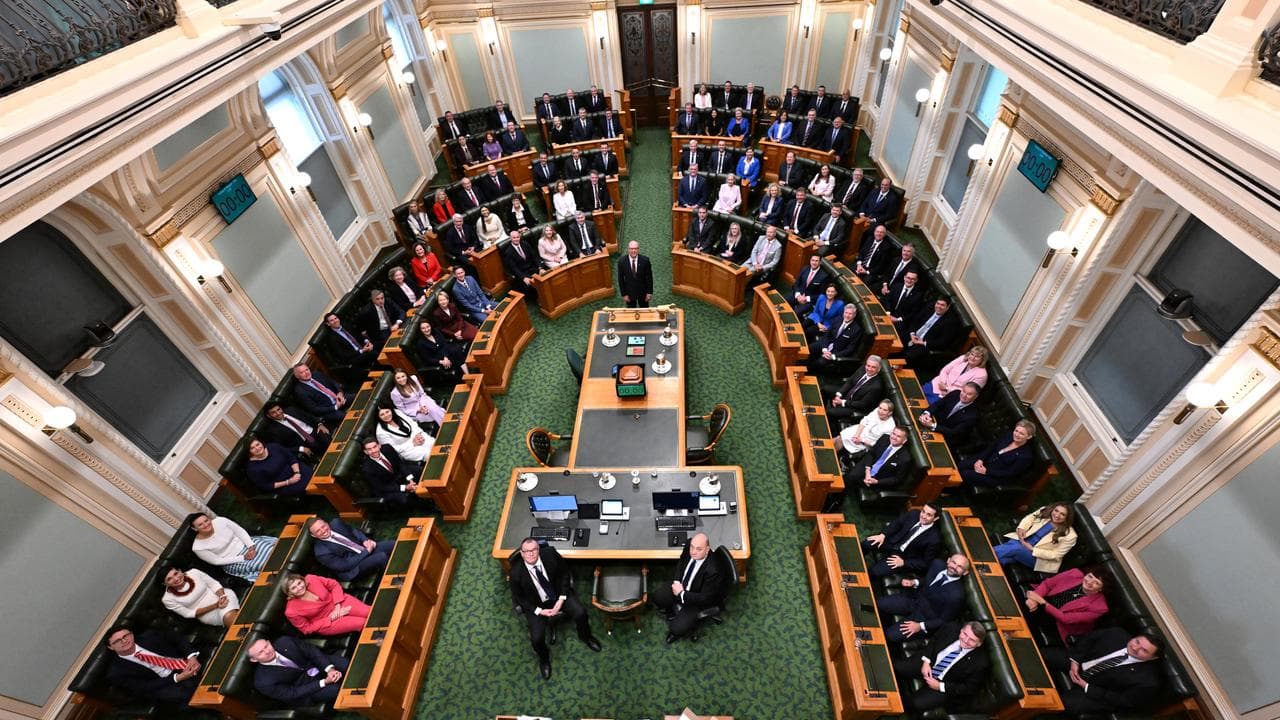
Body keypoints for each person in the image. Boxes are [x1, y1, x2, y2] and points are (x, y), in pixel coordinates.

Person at [509, 538, 601, 680]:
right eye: (527, 551)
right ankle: (544, 659)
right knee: (536, 639)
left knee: (581, 613)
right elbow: (519, 598)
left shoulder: (550, 554)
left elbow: (565, 573)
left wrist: (562, 597)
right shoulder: (515, 573)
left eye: (534, 550)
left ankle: (586, 636)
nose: (531, 554)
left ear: (538, 549)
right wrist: (539, 611)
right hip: (537, 606)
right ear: (522, 553)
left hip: (558, 595)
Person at [1042, 629, 1163, 715]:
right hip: (1079, 663)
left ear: (1153, 658)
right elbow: (1087, 640)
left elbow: (1123, 701)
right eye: (1137, 641)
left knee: (1061, 704)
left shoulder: (1148, 681)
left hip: (1096, 692)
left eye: (1144, 650)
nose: (1135, 648)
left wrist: (1086, 686)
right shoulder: (1117, 634)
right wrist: (1075, 661)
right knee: (1042, 655)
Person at [892, 621, 990, 714]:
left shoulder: (981, 664)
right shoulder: (952, 627)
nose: (966, 640)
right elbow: (934, 640)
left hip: (945, 684)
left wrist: (940, 686)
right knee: (896, 667)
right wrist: (926, 661)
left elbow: (968, 688)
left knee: (915, 704)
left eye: (972, 640)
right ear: (961, 630)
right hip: (930, 662)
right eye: (965, 634)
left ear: (979, 644)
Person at [651, 532, 726, 644]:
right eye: (692, 547)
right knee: (657, 597)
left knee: (676, 629)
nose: (693, 552)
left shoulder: (713, 570)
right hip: (681, 585)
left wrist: (681, 594)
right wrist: (676, 581)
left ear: (707, 549)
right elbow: (681, 563)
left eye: (699, 549)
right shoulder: (689, 546)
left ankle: (675, 632)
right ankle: (671, 607)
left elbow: (705, 598)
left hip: (696, 599)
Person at [877, 554, 971, 642]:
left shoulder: (957, 596)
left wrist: (920, 626)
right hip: (914, 599)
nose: (954, 567)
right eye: (954, 562)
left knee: (890, 635)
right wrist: (915, 582)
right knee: (880, 604)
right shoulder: (937, 564)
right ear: (948, 560)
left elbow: (944, 620)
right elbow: (928, 581)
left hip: (924, 618)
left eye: (960, 567)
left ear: (965, 572)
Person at [104, 624, 201, 704]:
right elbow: (144, 687)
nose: (124, 641)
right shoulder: (116, 672)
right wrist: (178, 678)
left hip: (184, 662)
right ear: (111, 647)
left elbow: (178, 639)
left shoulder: (150, 636)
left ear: (132, 634)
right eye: (117, 641)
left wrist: (191, 657)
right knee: (191, 695)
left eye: (125, 636)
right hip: (164, 684)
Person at [248, 636, 349, 705]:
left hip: (316, 665)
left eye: (266, 646)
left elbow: (312, 652)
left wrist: (330, 669)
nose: (267, 651)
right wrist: (324, 682)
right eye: (261, 652)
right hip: (305, 689)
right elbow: (293, 693)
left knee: (345, 664)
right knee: (336, 690)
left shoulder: (285, 641)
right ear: (254, 659)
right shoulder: (263, 682)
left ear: (269, 642)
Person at [1025, 568, 1109, 644]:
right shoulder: (1074, 573)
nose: (1090, 582)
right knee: (1025, 603)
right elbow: (1047, 584)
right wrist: (1034, 599)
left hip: (1057, 620)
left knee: (1029, 614)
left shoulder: (1100, 607)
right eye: (1090, 576)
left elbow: (1065, 618)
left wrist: (1041, 601)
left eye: (1096, 583)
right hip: (1044, 599)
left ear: (1101, 589)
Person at [863, 502, 942, 579]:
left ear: (935, 518)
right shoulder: (914, 514)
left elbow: (925, 563)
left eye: (929, 515)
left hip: (903, 557)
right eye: (923, 511)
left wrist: (904, 563)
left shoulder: (934, 539)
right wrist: (882, 535)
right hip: (892, 542)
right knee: (866, 543)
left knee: (874, 572)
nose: (923, 516)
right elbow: (897, 523)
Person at [190, 513, 276, 583]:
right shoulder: (198, 547)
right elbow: (217, 561)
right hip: (233, 560)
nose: (206, 524)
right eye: (200, 524)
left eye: (206, 520)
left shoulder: (221, 520)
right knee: (262, 564)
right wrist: (243, 557)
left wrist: (250, 546)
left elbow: (239, 531)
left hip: (246, 545)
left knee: (272, 550)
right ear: (194, 528)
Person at [994, 502, 1077, 572]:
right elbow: (1031, 517)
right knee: (1008, 554)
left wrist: (1032, 549)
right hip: (1024, 540)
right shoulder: (1045, 511)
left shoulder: (1071, 536)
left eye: (1062, 514)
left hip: (1038, 558)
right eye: (1056, 510)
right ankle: (989, 567)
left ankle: (985, 554)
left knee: (1016, 548)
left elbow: (1056, 555)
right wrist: (1022, 528)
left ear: (1067, 518)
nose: (1057, 515)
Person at [282, 572, 371, 636]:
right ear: (289, 593)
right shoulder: (291, 611)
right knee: (362, 623)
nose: (299, 587)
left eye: (299, 583)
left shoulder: (311, 578)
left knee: (370, 612)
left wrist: (337, 607)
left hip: (339, 601)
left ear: (303, 580)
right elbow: (306, 629)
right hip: (327, 622)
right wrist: (331, 618)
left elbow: (334, 585)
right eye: (294, 588)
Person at [309, 517, 395, 582]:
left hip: (362, 549)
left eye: (323, 526)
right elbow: (345, 565)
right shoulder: (321, 552)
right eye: (318, 531)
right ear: (314, 535)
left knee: (393, 544)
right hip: (353, 569)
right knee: (381, 557)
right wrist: (366, 552)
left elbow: (353, 531)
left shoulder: (336, 523)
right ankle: (395, 578)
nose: (323, 531)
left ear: (327, 523)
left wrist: (365, 540)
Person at [959, 419, 1037, 490]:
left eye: (1021, 433)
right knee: (960, 465)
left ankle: (950, 491)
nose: (1016, 434)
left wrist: (986, 471)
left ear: (1029, 437)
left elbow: (1010, 473)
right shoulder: (1009, 435)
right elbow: (992, 446)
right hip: (986, 461)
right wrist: (980, 460)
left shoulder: (1026, 456)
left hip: (995, 476)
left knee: (965, 474)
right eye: (1016, 431)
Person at [843, 427, 913, 499]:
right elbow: (871, 453)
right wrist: (867, 470)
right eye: (893, 434)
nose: (894, 437)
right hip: (868, 466)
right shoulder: (884, 438)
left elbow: (897, 479)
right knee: (851, 477)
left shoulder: (905, 458)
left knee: (850, 480)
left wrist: (877, 481)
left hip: (878, 479)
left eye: (898, 436)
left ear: (904, 441)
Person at [160, 566, 239, 628]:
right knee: (229, 615)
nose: (176, 578)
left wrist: (222, 596)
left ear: (180, 570)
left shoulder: (194, 572)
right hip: (207, 614)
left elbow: (214, 584)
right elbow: (188, 614)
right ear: (165, 584)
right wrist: (216, 605)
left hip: (221, 595)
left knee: (228, 614)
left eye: (176, 573)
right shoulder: (167, 599)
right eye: (169, 579)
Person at [902, 297, 963, 371]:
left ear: (948, 307)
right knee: (896, 341)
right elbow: (915, 320)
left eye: (942, 305)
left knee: (909, 355)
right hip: (913, 335)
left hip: (925, 344)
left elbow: (943, 342)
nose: (939, 307)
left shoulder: (951, 322)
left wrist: (923, 343)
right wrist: (912, 333)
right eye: (938, 303)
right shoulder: (929, 308)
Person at [259, 402, 331, 460]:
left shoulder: (291, 410)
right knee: (320, 450)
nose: (278, 413)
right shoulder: (273, 431)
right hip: (304, 443)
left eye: (278, 409)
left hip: (315, 431)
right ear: (269, 416)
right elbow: (282, 448)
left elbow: (309, 416)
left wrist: (320, 424)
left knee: (328, 440)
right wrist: (301, 449)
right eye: (273, 412)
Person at [826, 354, 886, 424]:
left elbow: (862, 404)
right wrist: (839, 395)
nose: (869, 369)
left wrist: (842, 402)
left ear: (878, 369)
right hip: (848, 394)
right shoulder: (863, 368)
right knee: (825, 389)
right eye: (868, 365)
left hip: (855, 406)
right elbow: (850, 382)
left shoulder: (876, 387)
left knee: (830, 412)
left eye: (873, 367)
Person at [359, 438, 421, 504]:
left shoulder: (387, 448)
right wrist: (405, 487)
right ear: (365, 452)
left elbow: (400, 464)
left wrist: (410, 479)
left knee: (420, 470)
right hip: (388, 487)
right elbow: (381, 487)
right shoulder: (367, 469)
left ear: (379, 445)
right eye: (369, 449)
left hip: (398, 474)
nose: (373, 451)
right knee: (404, 498)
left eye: (375, 447)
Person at [919, 382, 981, 447]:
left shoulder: (973, 415)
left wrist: (932, 425)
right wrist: (927, 413)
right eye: (963, 391)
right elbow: (938, 404)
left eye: (969, 394)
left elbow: (953, 432)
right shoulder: (955, 393)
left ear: (975, 397)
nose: (964, 395)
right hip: (934, 422)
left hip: (946, 438)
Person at [245, 438, 311, 496]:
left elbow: (291, 458)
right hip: (284, 485)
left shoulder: (273, 446)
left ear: (261, 443)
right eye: (252, 448)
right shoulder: (252, 469)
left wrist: (297, 472)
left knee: (312, 475)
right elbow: (266, 486)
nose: (257, 448)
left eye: (257, 444)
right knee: (308, 486)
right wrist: (288, 482)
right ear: (250, 452)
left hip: (296, 469)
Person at [808, 303, 862, 372]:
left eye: (850, 314)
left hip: (836, 351)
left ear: (854, 315)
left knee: (819, 362)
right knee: (809, 348)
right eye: (846, 312)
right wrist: (824, 349)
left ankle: (807, 370)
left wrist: (833, 356)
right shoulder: (838, 319)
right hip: (827, 344)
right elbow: (828, 334)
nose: (847, 315)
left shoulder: (856, 329)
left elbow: (850, 349)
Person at [925, 346, 989, 404]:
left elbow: (969, 392)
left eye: (977, 357)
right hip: (938, 384)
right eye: (972, 354)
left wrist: (947, 389)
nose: (973, 358)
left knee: (927, 405)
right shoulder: (962, 358)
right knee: (918, 393)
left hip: (951, 395)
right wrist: (943, 383)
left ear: (982, 360)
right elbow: (945, 370)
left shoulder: (982, 375)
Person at [413, 319, 467, 384]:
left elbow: (444, 344)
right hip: (438, 362)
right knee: (456, 356)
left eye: (428, 326)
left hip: (445, 354)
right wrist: (442, 361)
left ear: (430, 326)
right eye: (423, 328)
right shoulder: (420, 343)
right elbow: (428, 359)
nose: (426, 329)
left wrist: (446, 357)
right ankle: (466, 377)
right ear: (420, 330)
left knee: (457, 350)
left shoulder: (436, 332)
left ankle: (467, 376)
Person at [501, 230, 542, 298]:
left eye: (518, 237)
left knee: (543, 278)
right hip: (522, 273)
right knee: (532, 286)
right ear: (510, 238)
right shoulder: (508, 252)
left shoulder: (525, 244)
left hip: (532, 269)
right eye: (514, 238)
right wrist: (523, 277)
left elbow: (534, 256)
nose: (516, 239)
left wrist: (540, 267)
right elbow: (514, 268)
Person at [617, 241, 653, 308]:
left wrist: (649, 292)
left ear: (638, 249)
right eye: (631, 248)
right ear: (628, 249)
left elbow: (649, 278)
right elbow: (620, 279)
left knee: (644, 310)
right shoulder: (621, 261)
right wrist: (624, 294)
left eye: (636, 248)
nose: (633, 251)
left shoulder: (645, 260)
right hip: (629, 293)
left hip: (643, 292)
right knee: (631, 312)